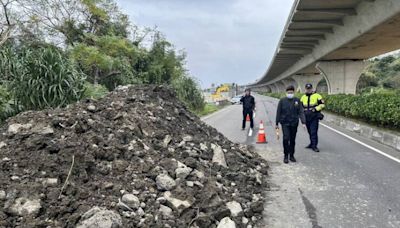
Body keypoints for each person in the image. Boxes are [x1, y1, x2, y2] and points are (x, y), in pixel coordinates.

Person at [276, 85, 306, 164]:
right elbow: (278, 112)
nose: (290, 93)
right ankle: (286, 155)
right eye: (289, 92)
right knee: (286, 138)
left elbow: (301, 112)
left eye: (291, 92)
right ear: (286, 93)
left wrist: (303, 122)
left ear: (294, 92)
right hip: (285, 123)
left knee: (292, 140)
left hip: (294, 123)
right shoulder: (282, 101)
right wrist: (276, 123)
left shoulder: (297, 100)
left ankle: (291, 155)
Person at [300, 83, 325, 152]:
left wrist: (316, 109)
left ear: (312, 88)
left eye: (310, 88)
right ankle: (311, 144)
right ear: (305, 89)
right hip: (306, 117)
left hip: (314, 117)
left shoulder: (317, 96)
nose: (308, 90)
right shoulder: (303, 97)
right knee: (310, 132)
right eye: (307, 89)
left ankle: (314, 146)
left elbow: (322, 105)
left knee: (314, 132)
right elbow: (300, 107)